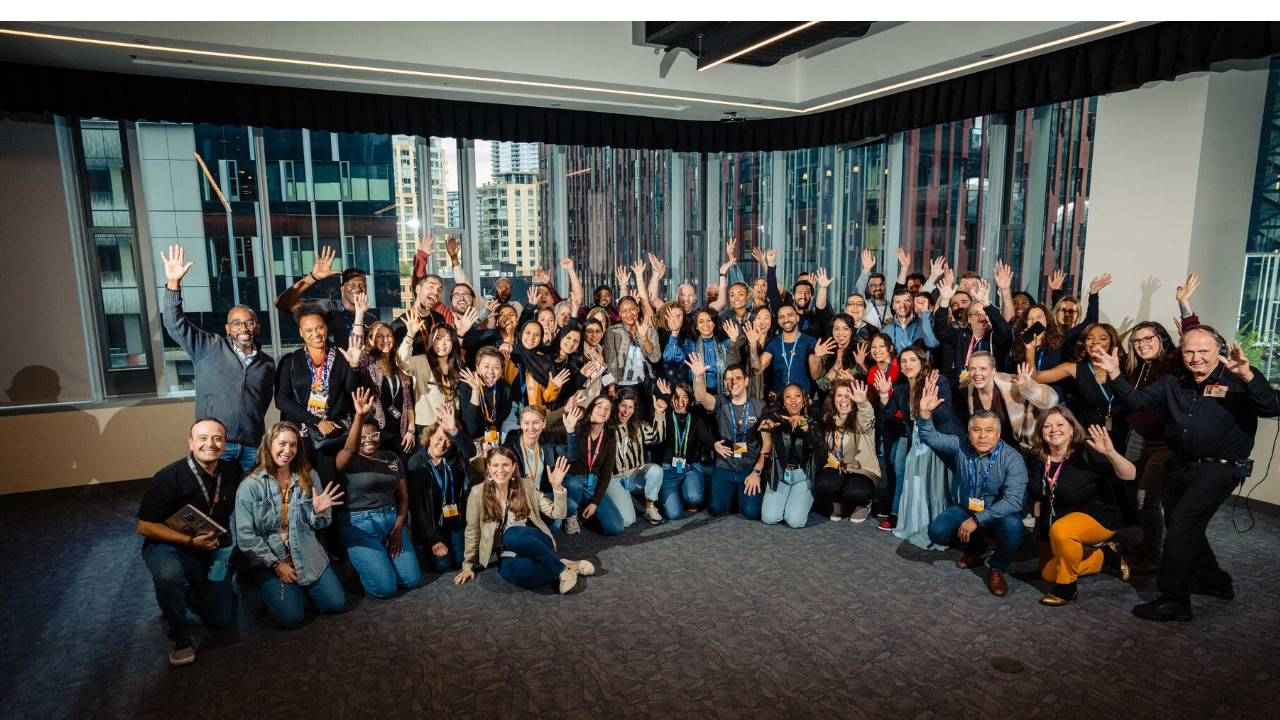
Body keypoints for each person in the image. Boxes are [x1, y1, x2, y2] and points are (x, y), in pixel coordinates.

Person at [1093, 326, 1280, 622]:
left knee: (1181, 524)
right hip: (1180, 465)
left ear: (1218, 351)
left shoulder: (1238, 378)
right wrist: (1115, 373)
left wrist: (1247, 375)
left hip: (1220, 468)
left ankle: (1175, 600)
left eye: (1203, 351)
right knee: (1186, 526)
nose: (1196, 358)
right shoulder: (1173, 381)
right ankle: (1214, 582)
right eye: (1189, 352)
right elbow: (1136, 403)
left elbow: (1271, 407)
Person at [160, 245, 275, 473]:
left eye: (249, 323)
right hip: (218, 444)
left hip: (253, 445)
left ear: (257, 327)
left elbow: (262, 402)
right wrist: (173, 285)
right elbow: (175, 325)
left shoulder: (267, 363)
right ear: (227, 328)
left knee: (249, 499)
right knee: (216, 498)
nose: (244, 328)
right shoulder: (208, 347)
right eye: (236, 323)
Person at [136, 418, 240, 665]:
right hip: (169, 547)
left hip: (212, 548)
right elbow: (145, 526)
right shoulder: (168, 477)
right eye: (203, 438)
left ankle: (187, 592)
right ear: (191, 443)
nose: (210, 444)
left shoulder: (233, 472)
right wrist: (190, 541)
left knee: (220, 619)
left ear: (224, 444)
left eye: (217, 438)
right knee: (169, 575)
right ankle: (180, 635)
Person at [917, 384, 1028, 597]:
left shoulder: (1011, 458)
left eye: (989, 430)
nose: (982, 436)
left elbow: (1014, 501)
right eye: (976, 430)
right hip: (968, 507)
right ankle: (977, 547)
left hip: (998, 514)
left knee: (1013, 525)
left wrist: (977, 520)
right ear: (969, 433)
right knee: (937, 532)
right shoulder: (960, 445)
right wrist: (925, 412)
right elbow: (930, 437)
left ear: (998, 433)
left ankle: (997, 567)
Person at [234, 421, 347, 628]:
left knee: (335, 604)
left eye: (293, 445)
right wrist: (276, 566)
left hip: (305, 549)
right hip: (270, 556)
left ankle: (298, 589)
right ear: (269, 445)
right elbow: (246, 537)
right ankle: (267, 587)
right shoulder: (250, 485)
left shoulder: (309, 477)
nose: (288, 451)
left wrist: (319, 511)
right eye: (282, 444)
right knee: (291, 619)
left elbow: (322, 524)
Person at [1026, 408, 1132, 606]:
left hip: (1098, 515)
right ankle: (1104, 556)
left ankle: (1067, 588)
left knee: (1063, 532)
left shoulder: (1087, 451)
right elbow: (1039, 496)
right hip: (1059, 518)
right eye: (1047, 426)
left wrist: (1110, 453)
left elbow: (1130, 475)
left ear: (1072, 430)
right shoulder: (1037, 456)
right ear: (1041, 431)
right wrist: (1040, 527)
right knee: (1049, 573)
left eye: (1060, 425)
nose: (1053, 430)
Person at [454, 449, 595, 592]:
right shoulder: (478, 492)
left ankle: (560, 570)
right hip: (506, 550)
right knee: (527, 577)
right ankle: (564, 566)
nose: (500, 470)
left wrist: (557, 487)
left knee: (512, 534)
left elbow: (557, 513)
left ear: (514, 467)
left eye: (506, 465)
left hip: (535, 542)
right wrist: (468, 566)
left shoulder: (526, 485)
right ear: (488, 468)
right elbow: (472, 530)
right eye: (495, 465)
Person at [334, 388, 421, 598]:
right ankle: (356, 562)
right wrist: (359, 416)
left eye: (374, 435)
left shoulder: (391, 457)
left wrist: (398, 529)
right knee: (385, 589)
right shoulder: (349, 459)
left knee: (411, 580)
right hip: (360, 525)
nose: (370, 439)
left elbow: (404, 498)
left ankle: (376, 559)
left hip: (391, 522)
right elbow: (349, 449)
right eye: (364, 436)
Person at [1121, 321, 1180, 574]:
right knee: (1133, 491)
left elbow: (1194, 341)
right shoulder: (1137, 367)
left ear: (1162, 339)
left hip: (1162, 442)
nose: (1142, 344)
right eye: (1137, 340)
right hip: (1137, 435)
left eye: (1148, 339)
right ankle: (1148, 543)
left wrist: (1185, 309)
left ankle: (1155, 554)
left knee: (1148, 498)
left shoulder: (1172, 363)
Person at [273, 304, 359, 467]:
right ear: (300, 332)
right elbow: (281, 400)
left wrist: (354, 367)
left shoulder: (341, 358)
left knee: (331, 485)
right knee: (303, 485)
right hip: (300, 438)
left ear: (326, 328)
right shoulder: (290, 361)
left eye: (319, 328)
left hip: (333, 435)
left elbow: (353, 393)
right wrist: (317, 422)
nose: (315, 334)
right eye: (309, 330)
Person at [688, 355, 771, 520]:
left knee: (751, 513)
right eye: (729, 379)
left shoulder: (760, 406)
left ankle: (739, 495)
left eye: (738, 378)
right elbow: (702, 396)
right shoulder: (720, 402)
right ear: (725, 383)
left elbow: (767, 444)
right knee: (715, 509)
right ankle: (732, 494)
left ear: (747, 381)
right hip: (725, 466)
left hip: (749, 468)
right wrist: (698, 376)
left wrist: (757, 471)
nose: (733, 382)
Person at [887, 363, 957, 548]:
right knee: (915, 488)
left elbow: (945, 416)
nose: (907, 364)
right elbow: (886, 415)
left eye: (912, 359)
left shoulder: (937, 381)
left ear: (921, 362)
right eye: (903, 361)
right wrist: (883, 395)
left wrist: (929, 399)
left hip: (936, 446)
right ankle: (914, 525)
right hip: (917, 444)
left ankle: (937, 529)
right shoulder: (900, 386)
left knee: (934, 489)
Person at [406, 404, 477, 574]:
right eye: (439, 438)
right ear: (429, 436)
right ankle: (426, 545)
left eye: (449, 441)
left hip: (453, 521)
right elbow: (418, 507)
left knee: (458, 561)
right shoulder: (416, 463)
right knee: (441, 565)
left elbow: (470, 451)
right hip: (431, 524)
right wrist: (432, 540)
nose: (443, 444)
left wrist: (453, 430)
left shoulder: (453, 457)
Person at [1032, 323, 1127, 447]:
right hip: (1087, 436)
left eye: (1102, 338)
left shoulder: (1125, 367)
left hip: (1118, 435)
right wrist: (1030, 349)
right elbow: (1036, 377)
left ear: (1111, 343)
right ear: (1084, 343)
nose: (1095, 342)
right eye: (1090, 338)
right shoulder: (1074, 368)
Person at [274, 246, 377, 350]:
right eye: (352, 285)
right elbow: (282, 304)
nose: (358, 289)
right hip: (332, 365)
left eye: (362, 285)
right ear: (342, 288)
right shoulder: (326, 307)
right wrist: (313, 277)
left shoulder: (370, 319)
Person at [959, 352, 1058, 453]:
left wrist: (1029, 389)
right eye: (972, 369)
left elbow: (1052, 402)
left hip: (1020, 450)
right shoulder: (966, 388)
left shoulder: (1011, 383)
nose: (976, 374)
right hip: (987, 451)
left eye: (983, 369)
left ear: (993, 371)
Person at [759, 384, 827, 528]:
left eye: (797, 395)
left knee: (795, 521)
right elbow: (771, 417)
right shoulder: (776, 419)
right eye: (788, 397)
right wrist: (769, 423)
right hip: (781, 475)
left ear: (803, 400)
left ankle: (802, 499)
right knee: (769, 518)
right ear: (783, 402)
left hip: (803, 476)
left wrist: (805, 428)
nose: (793, 400)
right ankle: (789, 501)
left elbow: (818, 444)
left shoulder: (813, 421)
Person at [813, 379, 879, 522]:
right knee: (823, 483)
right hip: (838, 466)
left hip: (862, 468)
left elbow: (868, 419)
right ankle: (837, 501)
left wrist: (863, 403)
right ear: (833, 398)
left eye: (848, 395)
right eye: (839, 395)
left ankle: (864, 503)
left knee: (854, 492)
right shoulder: (829, 418)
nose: (843, 400)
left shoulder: (861, 417)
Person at [347, 320, 416, 457]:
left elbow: (407, 401)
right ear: (371, 340)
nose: (385, 339)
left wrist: (411, 429)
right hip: (378, 431)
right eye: (379, 336)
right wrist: (360, 314)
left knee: (401, 470)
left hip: (401, 431)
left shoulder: (398, 364)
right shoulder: (368, 362)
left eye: (389, 335)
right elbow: (357, 343)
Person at [561, 395, 625, 535]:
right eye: (599, 406)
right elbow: (550, 426)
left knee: (616, 528)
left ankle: (583, 510)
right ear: (591, 409)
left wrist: (595, 503)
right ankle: (571, 515)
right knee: (573, 483)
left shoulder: (609, 437)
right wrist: (567, 420)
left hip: (593, 483)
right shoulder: (577, 427)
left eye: (607, 408)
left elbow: (606, 474)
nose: (603, 410)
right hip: (573, 480)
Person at [654, 382, 716, 519]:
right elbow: (659, 413)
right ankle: (677, 494)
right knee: (673, 514)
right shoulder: (666, 417)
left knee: (694, 497)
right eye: (677, 397)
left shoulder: (696, 420)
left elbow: (706, 437)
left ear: (690, 399)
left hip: (691, 467)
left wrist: (716, 445)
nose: (680, 401)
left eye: (685, 397)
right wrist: (664, 396)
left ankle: (689, 497)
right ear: (672, 399)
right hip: (669, 469)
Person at [609, 387, 668, 525]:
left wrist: (659, 414)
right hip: (614, 479)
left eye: (630, 407)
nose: (626, 411)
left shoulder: (638, 426)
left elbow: (657, 437)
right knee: (627, 521)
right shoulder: (606, 427)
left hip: (634, 476)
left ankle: (649, 507)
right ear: (616, 405)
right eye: (623, 405)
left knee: (656, 470)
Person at [399, 315, 463, 434]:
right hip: (426, 426)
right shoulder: (422, 361)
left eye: (448, 339)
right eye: (438, 338)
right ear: (431, 340)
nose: (443, 343)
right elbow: (402, 362)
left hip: (452, 425)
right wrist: (410, 336)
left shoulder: (458, 364)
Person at [759, 304, 825, 397]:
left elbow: (815, 375)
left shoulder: (810, 341)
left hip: (802, 397)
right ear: (778, 321)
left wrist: (817, 358)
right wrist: (753, 344)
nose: (786, 320)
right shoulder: (773, 343)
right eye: (782, 317)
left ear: (797, 318)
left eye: (790, 315)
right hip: (777, 397)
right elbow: (757, 370)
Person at [458, 347, 515, 449]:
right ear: (477, 367)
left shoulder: (505, 388)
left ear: (502, 370)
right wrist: (475, 390)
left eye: (496, 367)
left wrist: (490, 443)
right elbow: (471, 427)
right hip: (470, 443)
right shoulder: (467, 386)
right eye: (486, 366)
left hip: (492, 440)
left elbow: (500, 420)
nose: (491, 372)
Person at [883, 289, 939, 354]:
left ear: (913, 304)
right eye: (898, 302)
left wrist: (924, 311)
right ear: (893, 306)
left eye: (906, 301)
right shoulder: (886, 330)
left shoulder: (925, 326)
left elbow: (932, 344)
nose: (902, 305)